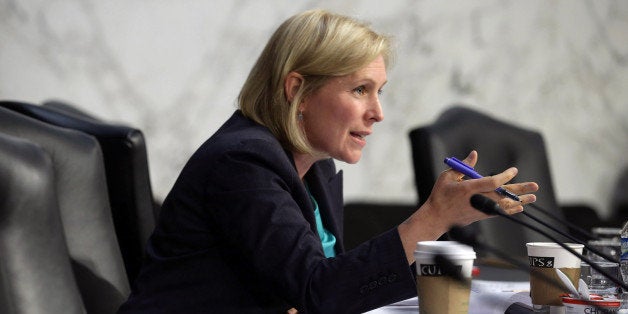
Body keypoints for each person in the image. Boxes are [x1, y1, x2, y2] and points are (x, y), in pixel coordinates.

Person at [117, 9, 538, 314]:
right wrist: (432, 218)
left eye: (380, 91)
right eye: (359, 90)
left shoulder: (312, 167)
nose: (377, 113)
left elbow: (325, 288)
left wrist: (446, 218)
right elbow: (320, 293)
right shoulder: (243, 163)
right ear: (296, 89)